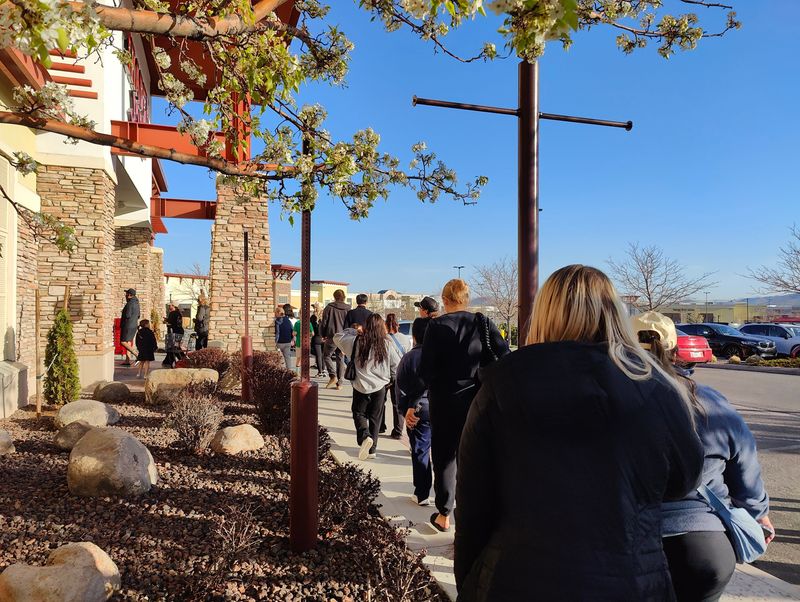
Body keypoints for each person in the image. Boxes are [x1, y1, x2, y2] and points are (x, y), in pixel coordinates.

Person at [454, 265, 704, 601]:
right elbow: (684, 479)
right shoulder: (657, 387)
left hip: (517, 578)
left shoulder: (501, 385)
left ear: (542, 315)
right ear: (614, 313)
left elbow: (472, 504)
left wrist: (470, 582)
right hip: (631, 580)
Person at [632, 311, 773, 602]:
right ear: (675, 349)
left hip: (634, 544)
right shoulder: (709, 400)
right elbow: (744, 463)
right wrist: (758, 514)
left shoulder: (613, 401)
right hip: (705, 546)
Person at [420, 278, 509, 532]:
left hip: (445, 400)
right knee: (475, 454)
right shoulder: (482, 322)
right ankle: (473, 513)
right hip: (477, 399)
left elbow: (426, 369)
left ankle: (444, 514)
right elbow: (504, 357)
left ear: (445, 300)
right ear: (466, 299)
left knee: (445, 456)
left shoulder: (436, 326)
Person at [334, 314, 402, 461]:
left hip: (360, 386)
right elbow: (397, 365)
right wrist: (390, 377)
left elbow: (337, 336)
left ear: (366, 326)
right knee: (375, 418)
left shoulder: (356, 341)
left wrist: (354, 330)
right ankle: (372, 450)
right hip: (380, 387)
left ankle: (365, 436)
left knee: (358, 413)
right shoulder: (387, 343)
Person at [396, 317, 433, 506]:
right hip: (442, 408)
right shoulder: (441, 355)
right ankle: (446, 495)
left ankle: (422, 492)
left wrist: (404, 410)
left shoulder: (410, 357)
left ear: (415, 335)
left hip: (418, 409)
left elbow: (400, 386)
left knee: (420, 450)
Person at [383, 313, 412, 439]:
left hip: (385, 374)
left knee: (381, 402)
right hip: (400, 374)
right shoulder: (405, 338)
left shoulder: (383, 339)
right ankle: (398, 430)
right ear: (398, 325)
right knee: (397, 403)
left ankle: (380, 426)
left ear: (385, 324)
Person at [320, 290, 350, 389]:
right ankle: (340, 383)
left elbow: (324, 322)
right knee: (340, 358)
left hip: (332, 336)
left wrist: (323, 334)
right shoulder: (348, 309)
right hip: (343, 337)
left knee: (326, 356)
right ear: (344, 297)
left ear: (334, 297)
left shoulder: (329, 308)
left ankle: (333, 376)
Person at [119, 288, 140, 366]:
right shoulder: (137, 303)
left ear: (130, 295)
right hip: (134, 325)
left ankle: (137, 354)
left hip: (127, 325)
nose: (125, 295)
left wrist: (123, 313)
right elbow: (138, 315)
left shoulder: (130, 304)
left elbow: (127, 315)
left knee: (123, 342)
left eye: (127, 294)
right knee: (128, 342)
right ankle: (127, 360)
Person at [162, 303, 185, 368]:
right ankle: (168, 362)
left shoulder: (173, 313)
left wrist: (166, 321)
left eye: (170, 305)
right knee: (175, 347)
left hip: (174, 332)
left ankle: (182, 359)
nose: (169, 307)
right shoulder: (179, 313)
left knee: (173, 348)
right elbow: (176, 322)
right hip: (179, 332)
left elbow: (170, 322)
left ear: (174, 306)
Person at [310, 303, 327, 378]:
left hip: (316, 338)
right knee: (323, 355)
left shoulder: (313, 317)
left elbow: (311, 328)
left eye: (314, 307)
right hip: (324, 338)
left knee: (318, 356)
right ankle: (323, 370)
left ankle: (320, 371)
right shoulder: (325, 316)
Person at [275, 306, 294, 370]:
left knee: (278, 358)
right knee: (287, 357)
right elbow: (292, 330)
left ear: (278, 313)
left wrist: (275, 341)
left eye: (275, 313)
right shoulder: (288, 321)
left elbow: (277, 332)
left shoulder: (277, 321)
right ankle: (289, 372)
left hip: (279, 343)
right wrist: (291, 339)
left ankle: (279, 371)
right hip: (288, 342)